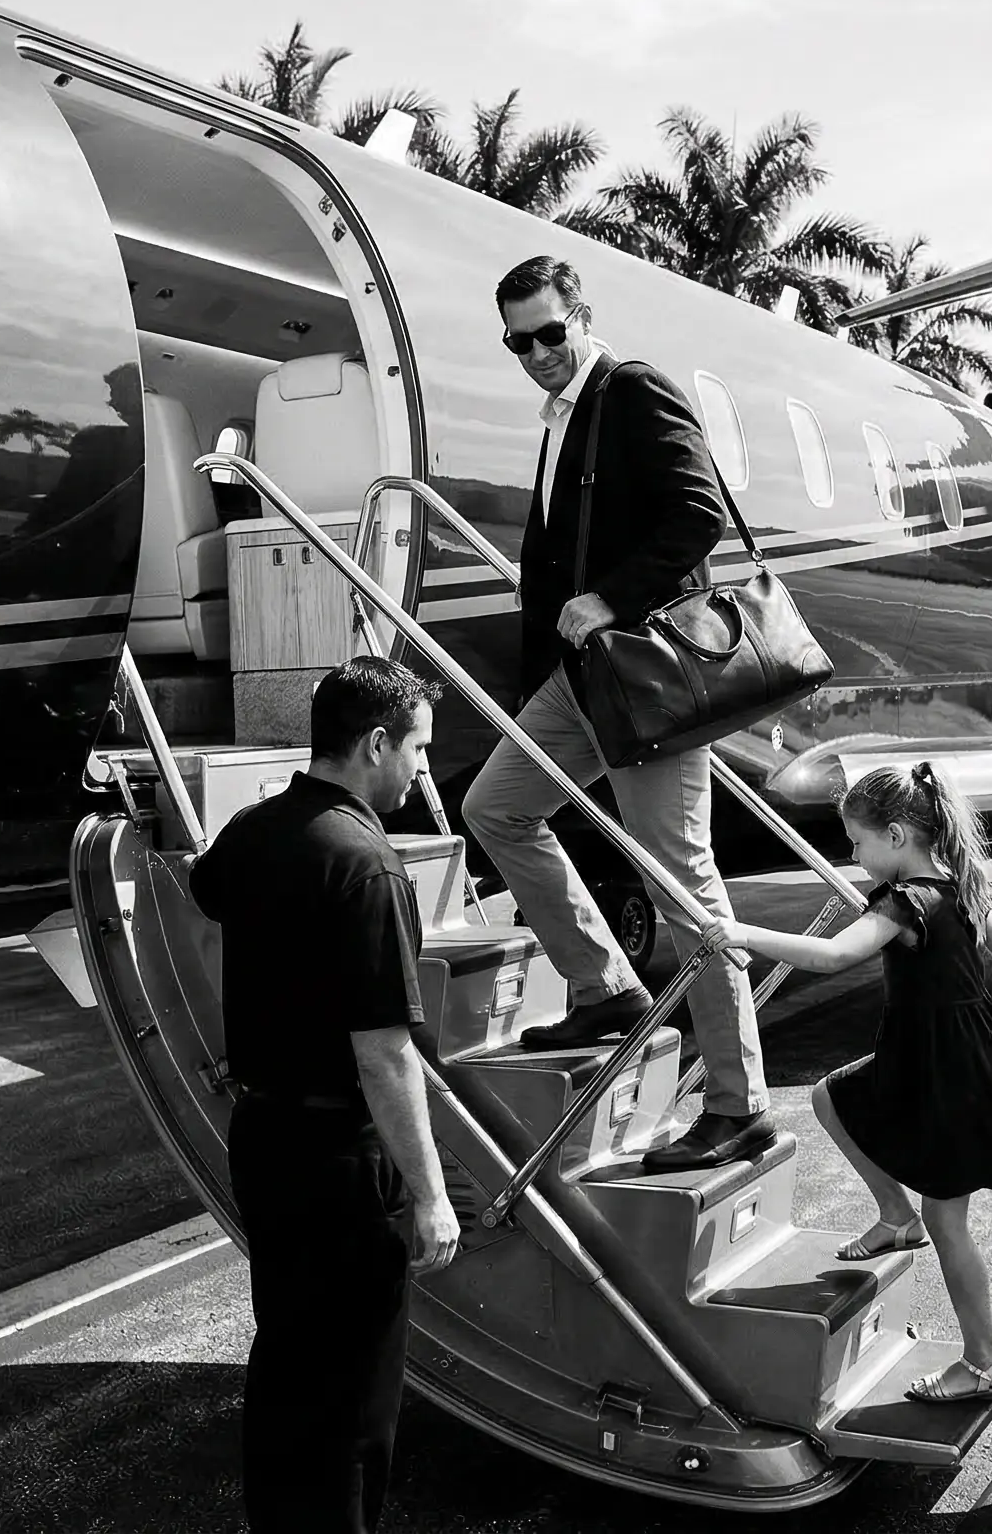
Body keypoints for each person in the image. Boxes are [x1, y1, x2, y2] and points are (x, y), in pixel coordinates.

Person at [463, 254, 772, 1171]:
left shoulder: (633, 390)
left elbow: (698, 515)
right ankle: (605, 988)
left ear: (581, 316)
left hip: (645, 674)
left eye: (550, 333)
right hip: (580, 677)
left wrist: (608, 598)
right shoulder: (561, 416)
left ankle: (739, 1101)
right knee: (497, 807)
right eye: (518, 342)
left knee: (682, 879)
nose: (536, 353)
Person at [188, 656, 460, 1534]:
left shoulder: (254, 829)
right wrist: (429, 1196)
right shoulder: (367, 865)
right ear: (377, 743)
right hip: (343, 1162)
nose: (422, 770)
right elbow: (385, 1056)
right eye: (417, 748)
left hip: (264, 1138)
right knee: (353, 1403)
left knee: (288, 1368)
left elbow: (205, 889)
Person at [703, 761, 992, 1401]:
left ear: (897, 836)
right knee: (833, 1096)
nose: (853, 855)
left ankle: (984, 1361)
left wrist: (742, 932)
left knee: (949, 1220)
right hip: (955, 1054)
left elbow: (833, 957)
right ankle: (893, 1214)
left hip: (948, 1065)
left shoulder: (904, 900)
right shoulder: (961, 884)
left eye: (856, 842)